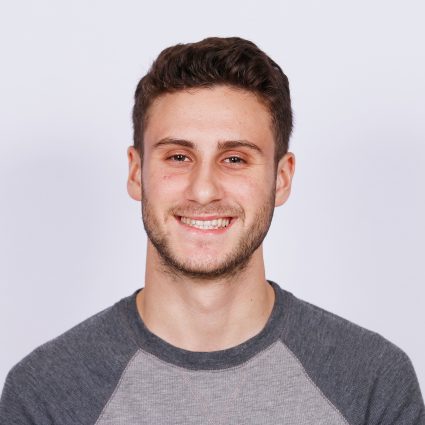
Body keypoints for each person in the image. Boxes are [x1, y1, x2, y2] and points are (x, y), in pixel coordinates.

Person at [0, 36, 424, 425]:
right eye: (178, 157)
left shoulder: (371, 382)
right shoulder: (46, 394)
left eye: (235, 159)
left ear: (281, 178)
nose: (203, 190)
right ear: (136, 172)